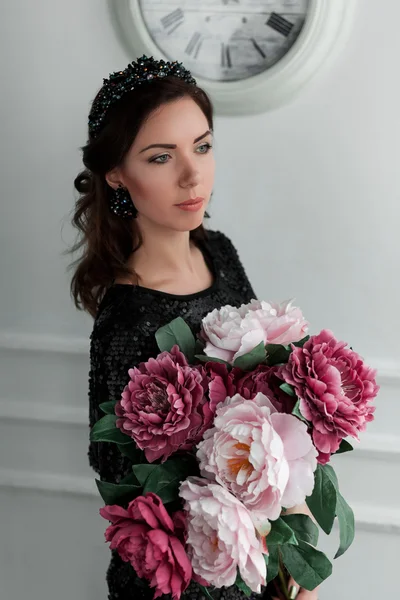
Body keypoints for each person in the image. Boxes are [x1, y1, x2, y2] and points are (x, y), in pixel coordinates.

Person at [67, 55, 317, 600]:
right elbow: (134, 504)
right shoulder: (127, 321)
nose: (192, 175)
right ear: (116, 173)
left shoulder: (218, 252)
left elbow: (271, 400)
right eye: (161, 157)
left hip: (261, 569)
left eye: (201, 147)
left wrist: (290, 547)